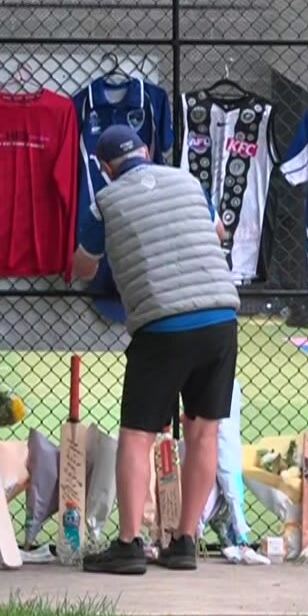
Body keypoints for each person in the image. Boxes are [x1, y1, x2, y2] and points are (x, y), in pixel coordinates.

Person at [73, 124, 240, 574]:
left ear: (105, 168)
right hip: (221, 316)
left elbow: (83, 268)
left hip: (162, 323)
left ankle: (129, 544)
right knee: (204, 431)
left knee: (138, 435)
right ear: (146, 152)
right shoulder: (187, 181)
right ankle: (184, 541)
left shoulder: (102, 201)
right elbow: (218, 234)